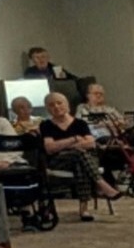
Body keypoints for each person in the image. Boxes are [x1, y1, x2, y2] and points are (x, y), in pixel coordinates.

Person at [39, 92, 123, 221]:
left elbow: (91, 143)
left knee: (80, 160)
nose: (56, 107)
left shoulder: (80, 123)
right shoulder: (46, 125)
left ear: (67, 105)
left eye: (59, 103)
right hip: (59, 161)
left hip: (81, 159)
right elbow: (50, 148)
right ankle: (99, 185)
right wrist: (74, 139)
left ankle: (86, 207)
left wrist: (63, 144)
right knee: (81, 154)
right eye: (51, 105)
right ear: (47, 108)